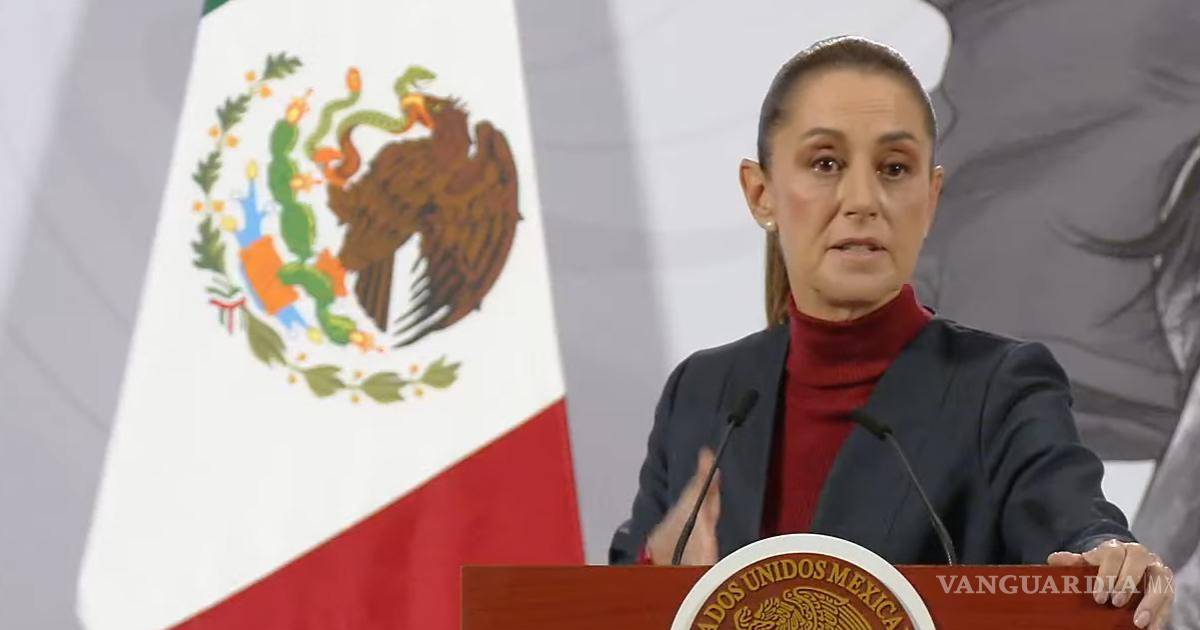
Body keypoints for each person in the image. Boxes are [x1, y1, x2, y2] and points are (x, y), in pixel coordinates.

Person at [609, 36, 1175, 629]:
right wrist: (654, 571)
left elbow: (1073, 519)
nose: (863, 200)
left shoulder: (999, 388)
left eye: (895, 168)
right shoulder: (702, 391)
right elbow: (605, 600)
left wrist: (1108, 553)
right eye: (825, 163)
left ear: (930, 200)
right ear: (761, 193)